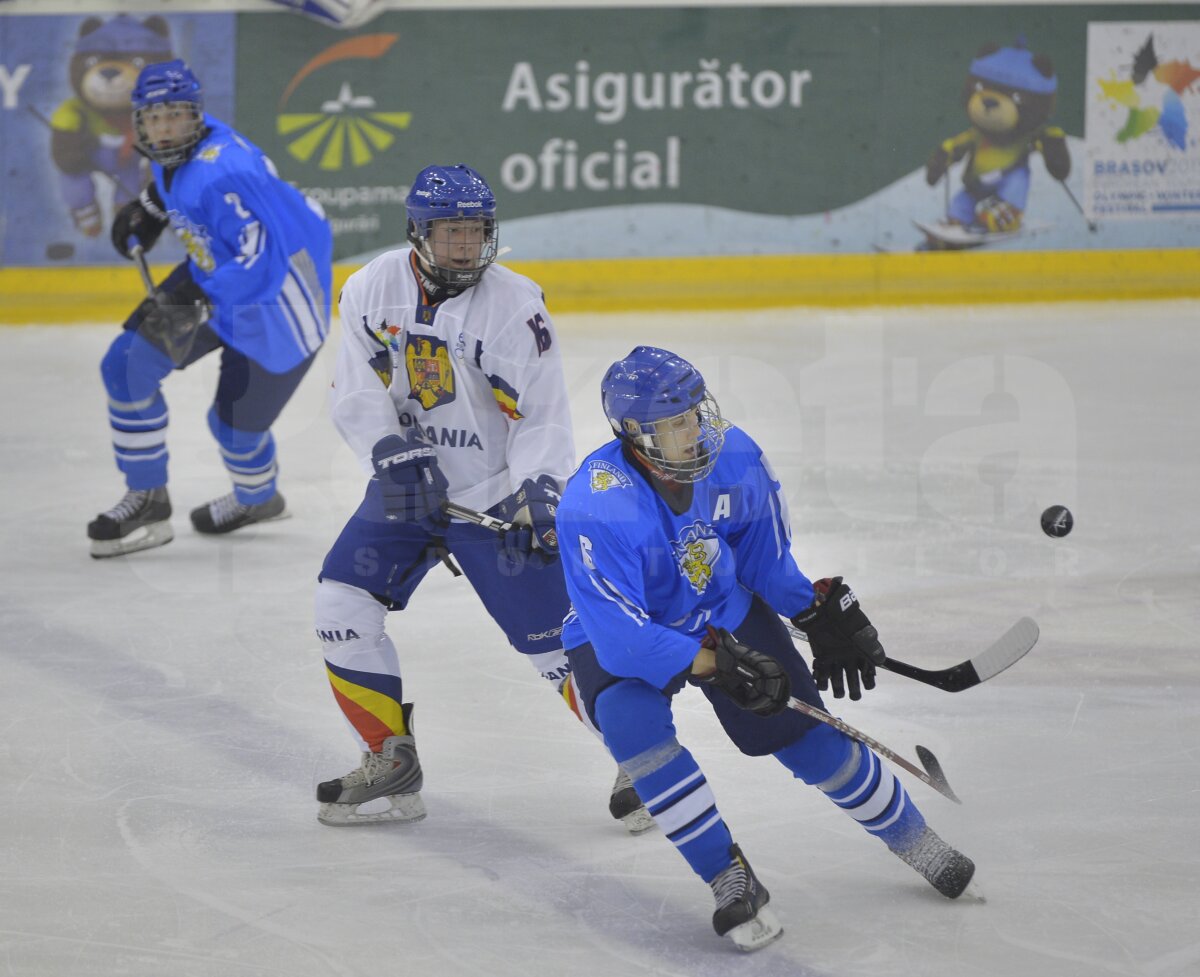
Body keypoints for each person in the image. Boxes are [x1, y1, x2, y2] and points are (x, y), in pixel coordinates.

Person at [555, 346, 975, 951]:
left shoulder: (735, 456)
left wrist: (812, 609)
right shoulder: (597, 504)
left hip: (719, 607)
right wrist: (714, 665)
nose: (692, 431)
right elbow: (620, 642)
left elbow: (765, 562)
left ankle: (917, 840)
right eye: (672, 424)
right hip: (625, 630)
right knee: (630, 726)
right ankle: (729, 877)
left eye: (693, 414)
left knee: (802, 734)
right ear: (631, 434)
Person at [311, 163, 647, 831]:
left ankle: (644, 757)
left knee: (553, 643)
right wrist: (389, 452)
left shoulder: (516, 306)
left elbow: (541, 414)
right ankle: (389, 756)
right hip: (405, 491)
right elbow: (353, 388)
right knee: (340, 601)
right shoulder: (371, 287)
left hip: (494, 496)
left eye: (475, 231)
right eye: (450, 231)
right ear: (418, 233)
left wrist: (540, 492)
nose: (465, 245)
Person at [87, 59, 332, 558]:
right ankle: (148, 498)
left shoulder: (226, 170)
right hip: (213, 279)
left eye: (174, 116)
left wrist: (204, 297)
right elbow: (175, 182)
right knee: (126, 367)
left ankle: (259, 499)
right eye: (152, 119)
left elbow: (265, 258)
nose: (163, 129)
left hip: (277, 310)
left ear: (195, 115)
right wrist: (152, 208)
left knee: (234, 430)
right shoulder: (180, 147)